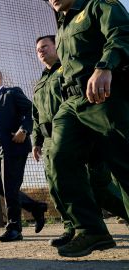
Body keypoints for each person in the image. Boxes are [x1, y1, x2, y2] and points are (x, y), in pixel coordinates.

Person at [47, 0, 129, 257]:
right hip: (71, 103)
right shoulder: (61, 27)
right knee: (59, 159)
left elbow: (122, 33)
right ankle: (91, 230)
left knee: (123, 163)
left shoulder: (97, 4)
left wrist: (105, 66)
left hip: (103, 96)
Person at [0, 68, 48, 242]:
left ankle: (14, 228)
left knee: (10, 186)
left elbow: (31, 110)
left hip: (12, 143)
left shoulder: (12, 93)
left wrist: (24, 129)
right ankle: (36, 207)